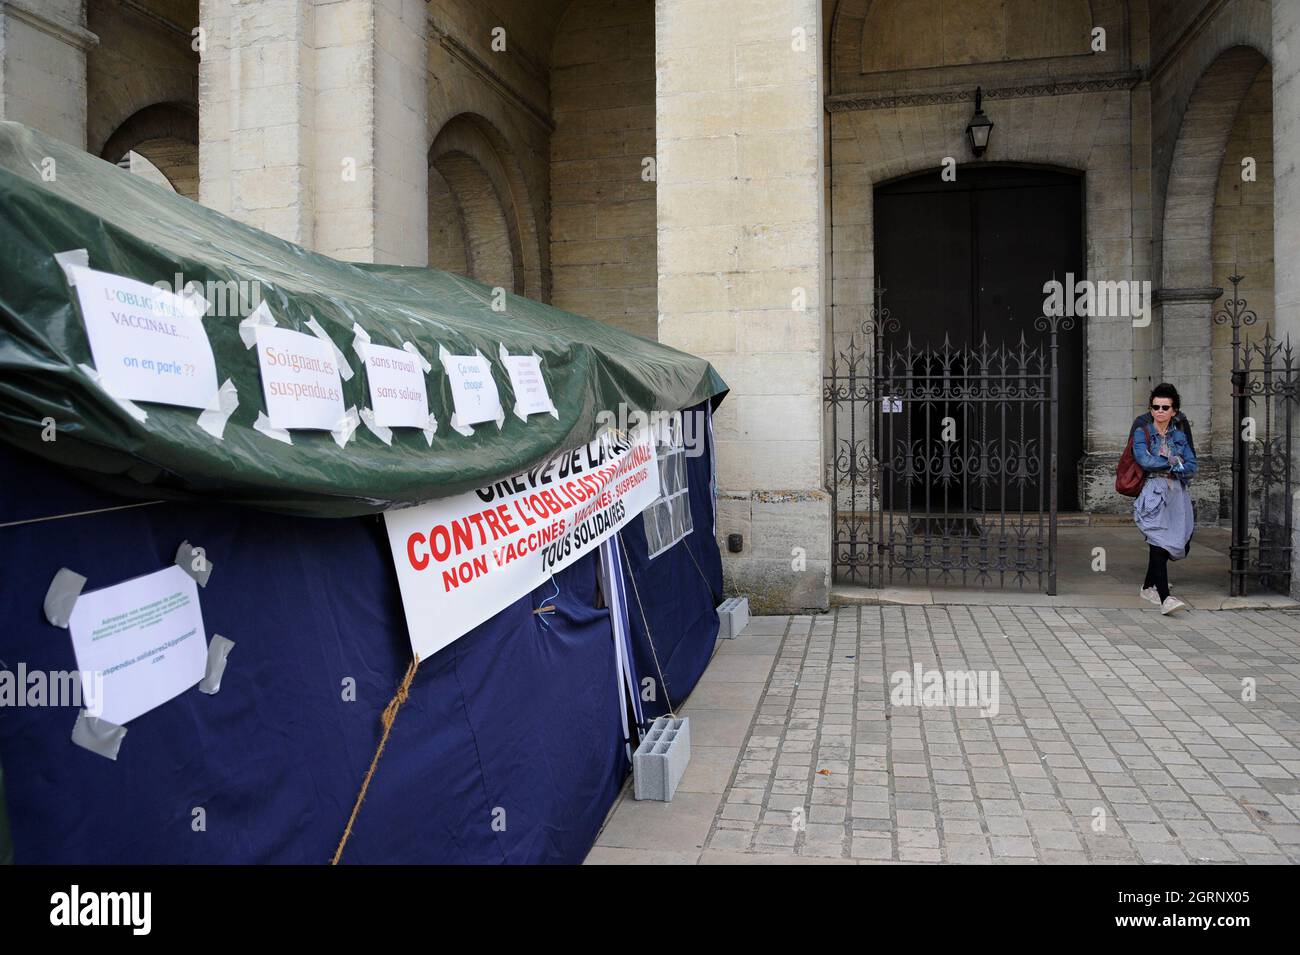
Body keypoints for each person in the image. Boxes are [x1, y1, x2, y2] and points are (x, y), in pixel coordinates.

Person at [1130, 383, 1197, 614]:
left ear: (1174, 411)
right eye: (1156, 407)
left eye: (1165, 407)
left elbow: (1191, 465)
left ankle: (1149, 586)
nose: (1160, 411)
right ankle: (1165, 598)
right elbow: (1144, 460)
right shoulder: (1143, 432)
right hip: (1153, 492)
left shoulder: (1179, 435)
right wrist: (1171, 463)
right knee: (1158, 541)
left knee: (1177, 542)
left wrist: (1175, 467)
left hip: (1177, 493)